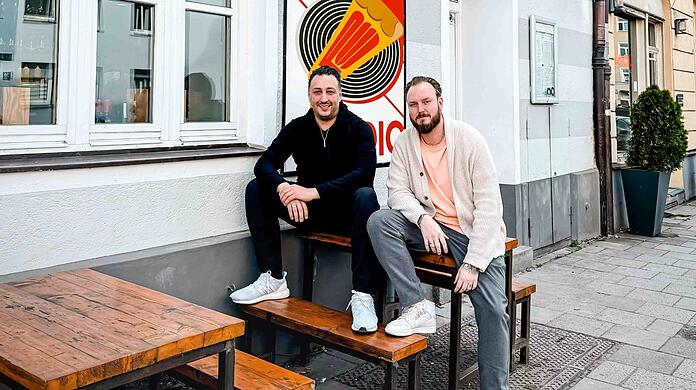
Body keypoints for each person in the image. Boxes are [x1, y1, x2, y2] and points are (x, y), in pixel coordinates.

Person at [367, 76, 509, 389]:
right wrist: (422, 219)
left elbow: (489, 208)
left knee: (494, 310)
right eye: (413, 105)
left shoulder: (470, 140)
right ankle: (417, 305)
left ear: (440, 103)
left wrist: (473, 263)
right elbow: (397, 191)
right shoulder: (405, 142)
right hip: (430, 227)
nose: (420, 110)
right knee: (379, 221)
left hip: (472, 235)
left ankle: (495, 386)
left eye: (426, 102)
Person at [230, 66, 384, 333]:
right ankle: (273, 279)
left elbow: (364, 173)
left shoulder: (358, 129)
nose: (324, 98)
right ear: (309, 96)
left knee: (366, 196)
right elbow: (265, 163)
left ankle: (362, 295)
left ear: (340, 94)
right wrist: (284, 189)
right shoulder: (298, 128)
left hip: (348, 217)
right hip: (308, 214)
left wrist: (311, 192)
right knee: (256, 188)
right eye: (317, 92)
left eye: (330, 92)